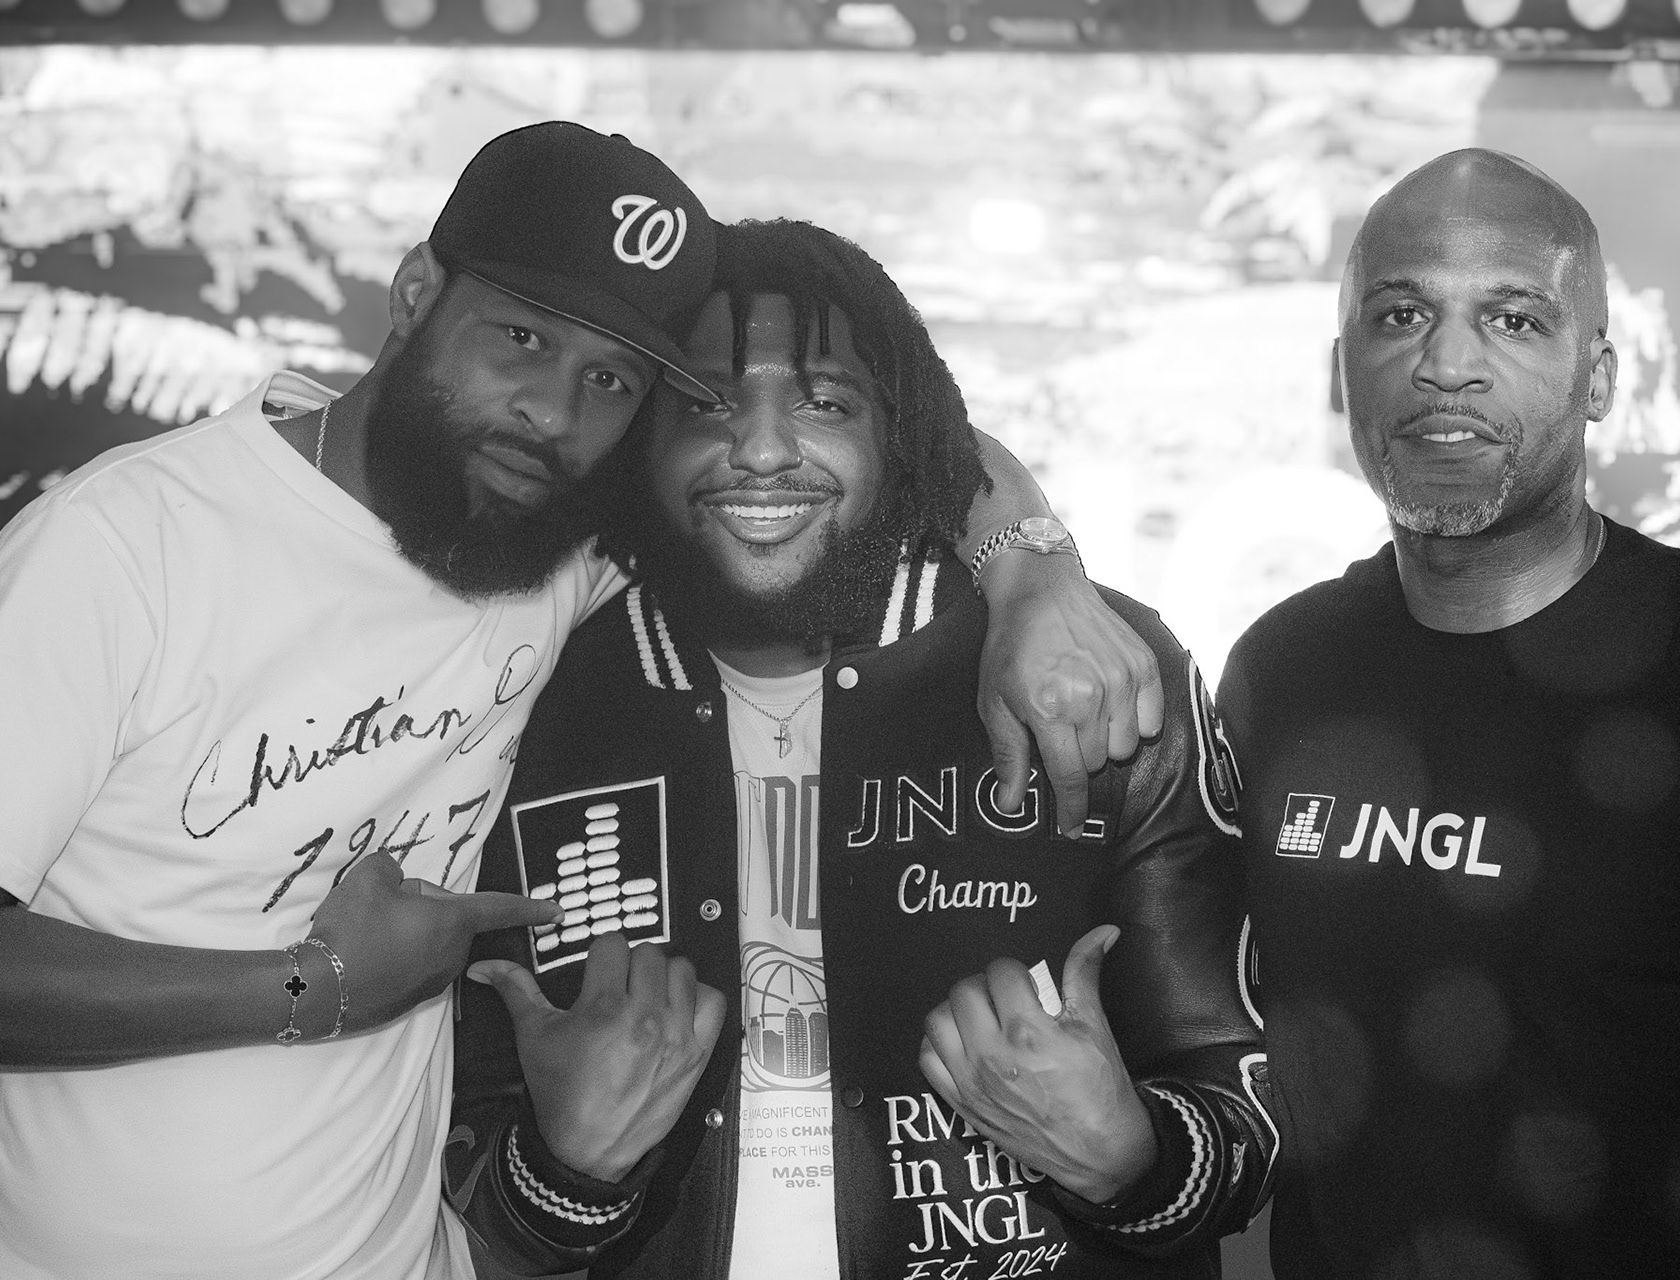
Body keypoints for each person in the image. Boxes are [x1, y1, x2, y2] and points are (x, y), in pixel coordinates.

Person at [0, 124, 1164, 1279]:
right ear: (415, 294)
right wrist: (313, 987)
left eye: (613, 381)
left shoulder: (551, 542)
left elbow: (876, 441)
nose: (552, 412)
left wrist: (1034, 574)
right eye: (522, 338)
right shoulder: (129, 541)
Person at [445, 218, 1275, 1279]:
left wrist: (1130, 1160)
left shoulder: (1084, 671)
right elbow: (468, 1175)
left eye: (826, 404)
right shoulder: (531, 698)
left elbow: (1243, 1110)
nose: (760, 449)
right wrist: (566, 1167)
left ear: (901, 439)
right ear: (638, 441)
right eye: (704, 403)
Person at [1217, 148, 1680, 1279]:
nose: (1445, 365)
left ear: (1599, 377)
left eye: (1514, 320)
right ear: (1341, 373)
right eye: (1401, 315)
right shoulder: (1281, 667)